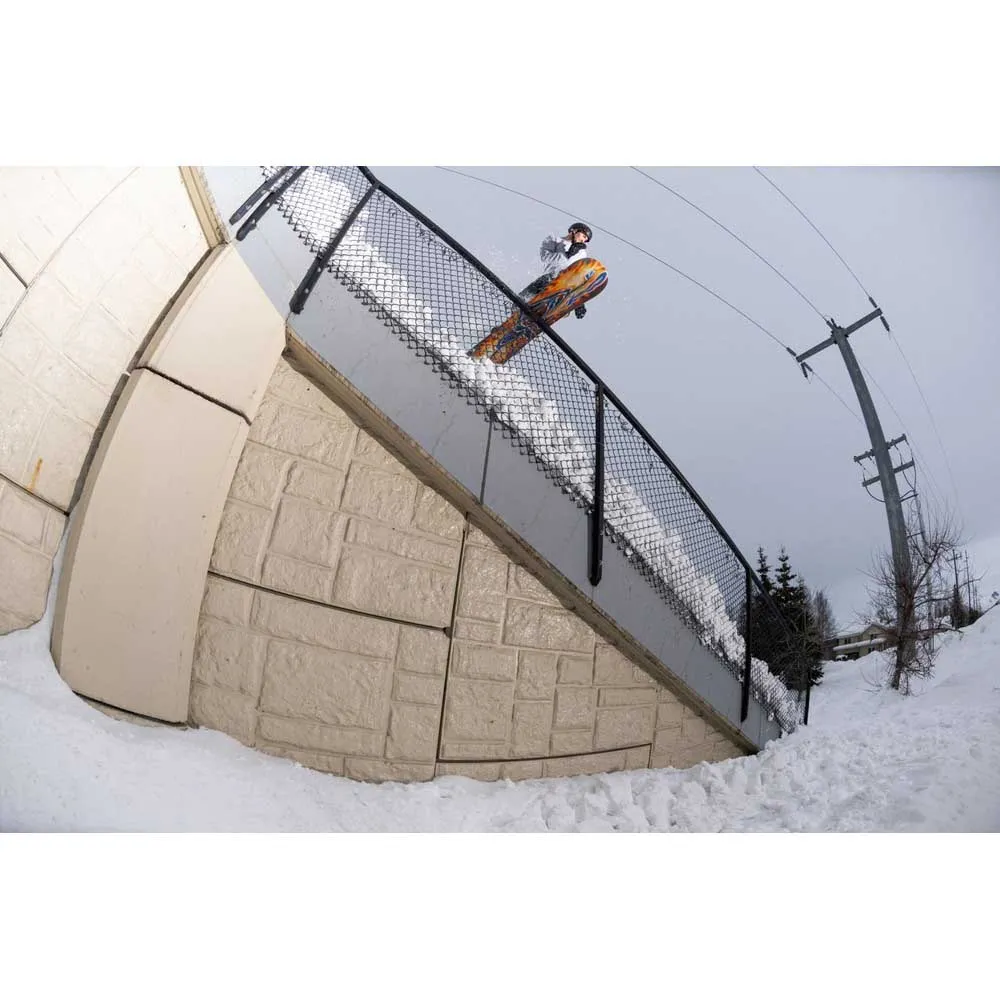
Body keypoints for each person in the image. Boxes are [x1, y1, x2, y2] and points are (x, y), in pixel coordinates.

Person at [520, 222, 594, 318]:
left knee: (565, 282)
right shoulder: (554, 239)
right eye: (583, 236)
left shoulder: (581, 253)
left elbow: (578, 273)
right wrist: (567, 255)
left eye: (585, 239)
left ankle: (552, 308)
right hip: (549, 279)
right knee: (539, 285)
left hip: (566, 285)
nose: (583, 240)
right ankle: (521, 305)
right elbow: (545, 258)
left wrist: (579, 302)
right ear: (574, 231)